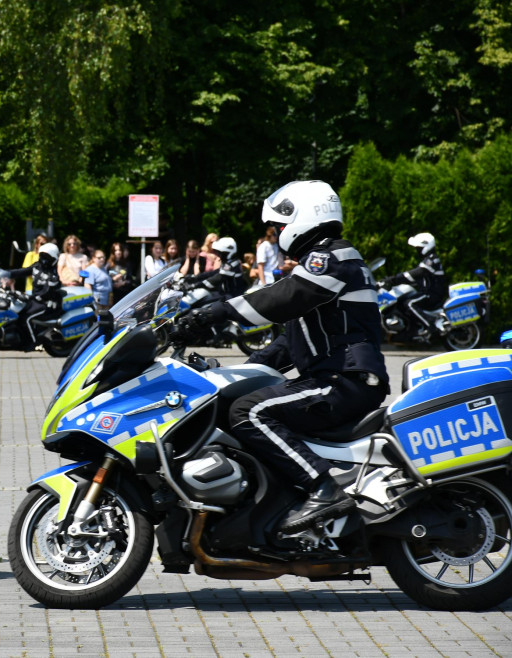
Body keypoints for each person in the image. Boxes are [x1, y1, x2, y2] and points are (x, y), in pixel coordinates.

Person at [180, 180, 388, 535]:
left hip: (345, 380)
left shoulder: (332, 257)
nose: (275, 235)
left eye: (277, 226)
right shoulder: (322, 265)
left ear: (303, 216)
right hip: (337, 378)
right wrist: (230, 375)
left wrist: (215, 312)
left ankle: (323, 489)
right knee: (237, 400)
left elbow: (284, 296)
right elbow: (287, 347)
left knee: (249, 412)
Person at [380, 233, 447, 340]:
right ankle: (413, 330)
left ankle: (431, 325)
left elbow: (417, 273)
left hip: (432, 294)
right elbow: (417, 278)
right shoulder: (427, 260)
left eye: (418, 248)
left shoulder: (431, 259)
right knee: (403, 303)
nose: (417, 250)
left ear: (426, 246)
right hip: (427, 293)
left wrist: (393, 279)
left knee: (409, 303)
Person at [8, 242, 62, 348]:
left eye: (46, 257)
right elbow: (22, 271)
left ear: (53, 258)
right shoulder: (37, 266)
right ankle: (19, 341)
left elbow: (46, 292)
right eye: (42, 256)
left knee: (26, 318)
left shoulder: (53, 275)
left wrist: (28, 297)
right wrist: (6, 273)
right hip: (35, 300)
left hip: (47, 303)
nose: (43, 259)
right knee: (17, 313)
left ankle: (32, 343)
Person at [181, 237, 247, 301]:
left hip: (233, 296)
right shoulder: (229, 262)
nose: (219, 255)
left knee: (211, 309)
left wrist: (195, 285)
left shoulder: (231, 264)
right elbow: (215, 272)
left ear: (227, 253)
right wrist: (195, 277)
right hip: (226, 294)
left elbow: (217, 279)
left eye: (220, 253)